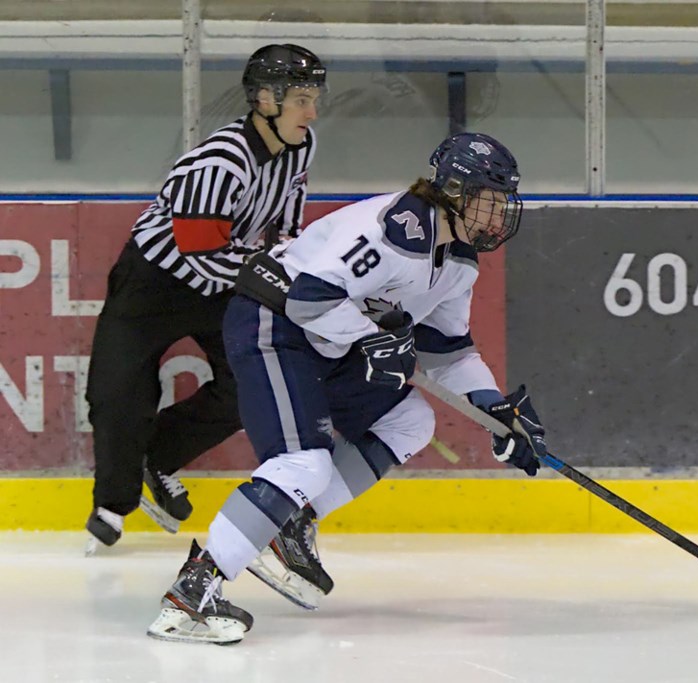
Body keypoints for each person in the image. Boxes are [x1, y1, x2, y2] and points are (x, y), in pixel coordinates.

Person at [146, 132, 551, 644]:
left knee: (409, 420)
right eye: (488, 202)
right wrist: (371, 340)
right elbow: (308, 303)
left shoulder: (458, 261)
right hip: (274, 324)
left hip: (328, 338)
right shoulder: (390, 234)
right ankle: (190, 597)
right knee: (303, 463)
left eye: (501, 204)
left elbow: (448, 351)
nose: (497, 218)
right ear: (452, 190)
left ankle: (292, 527)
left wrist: (495, 409)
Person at [84, 44, 327, 550]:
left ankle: (156, 456)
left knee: (249, 388)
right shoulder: (218, 163)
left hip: (225, 279)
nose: (313, 110)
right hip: (153, 283)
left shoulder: (301, 146)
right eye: (302, 98)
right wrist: (280, 285)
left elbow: (284, 223)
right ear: (264, 99)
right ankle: (112, 503)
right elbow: (200, 254)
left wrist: (288, 264)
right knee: (117, 394)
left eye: (314, 97)